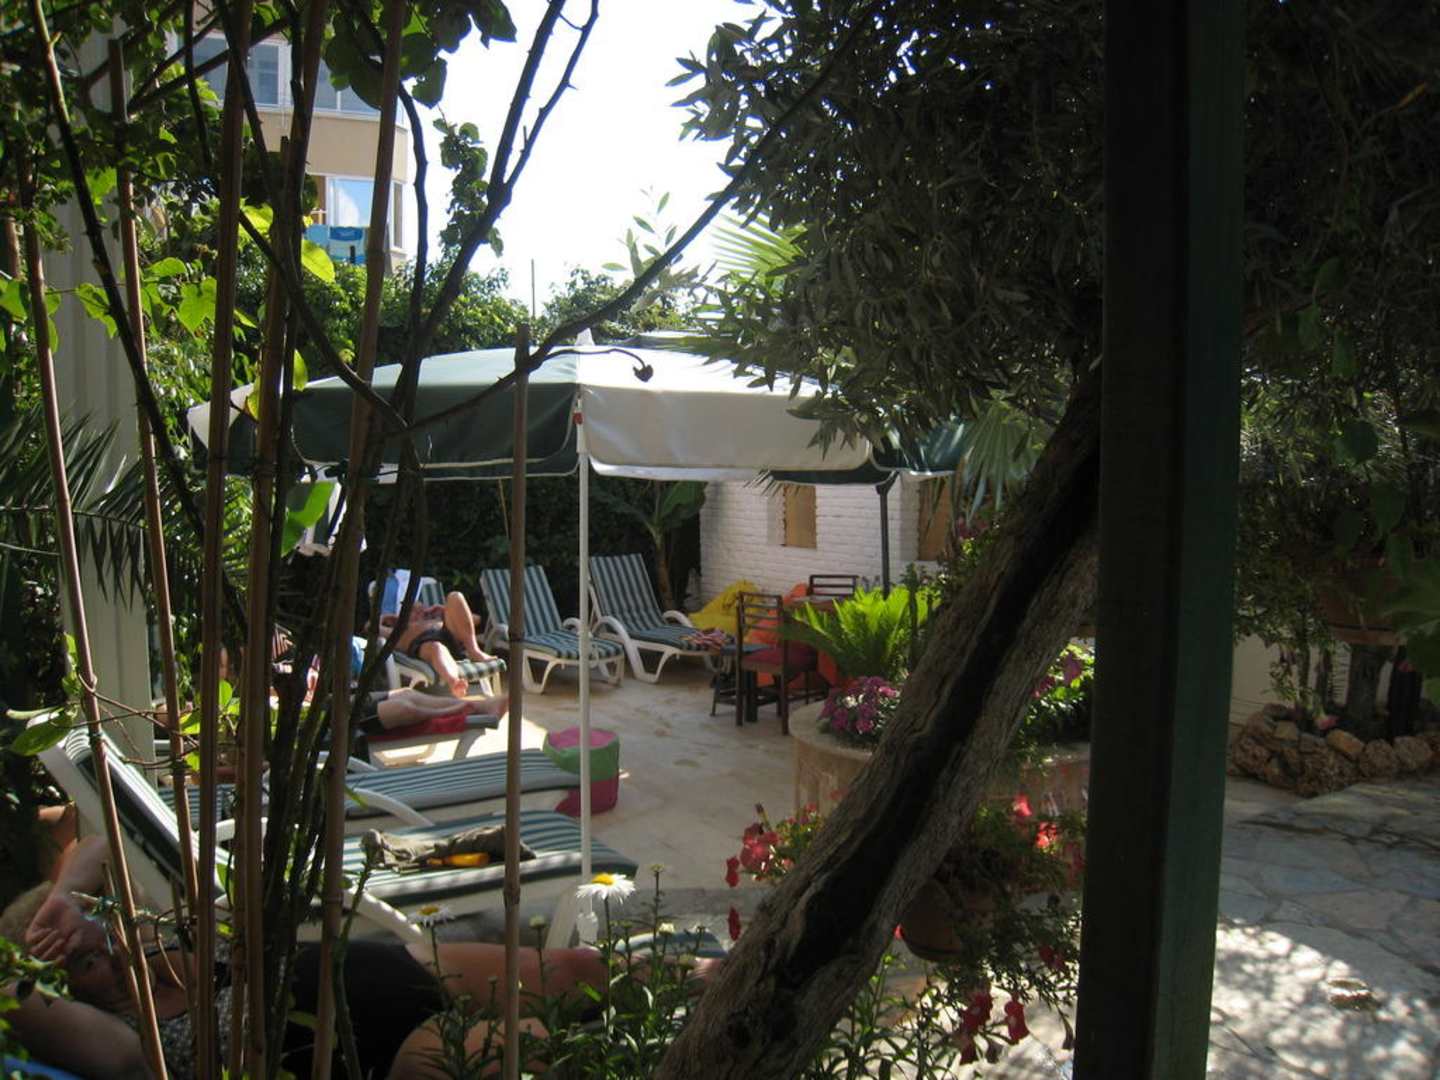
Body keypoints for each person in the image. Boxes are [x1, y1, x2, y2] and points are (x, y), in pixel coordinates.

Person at [6, 837, 709, 1079]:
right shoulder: (131, 1042)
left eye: (98, 928)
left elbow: (98, 842)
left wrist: (66, 898)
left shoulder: (171, 941)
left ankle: (726, 977)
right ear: (62, 996)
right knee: (538, 1045)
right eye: (84, 963)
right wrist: (28, 962)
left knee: (578, 971)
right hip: (379, 1046)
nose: (108, 950)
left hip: (394, 965)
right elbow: (20, 1001)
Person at [382, 591, 500, 697]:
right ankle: (454, 682)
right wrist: (385, 618)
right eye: (413, 610)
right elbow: (373, 629)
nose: (419, 612)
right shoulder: (399, 630)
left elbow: (476, 619)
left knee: (455, 596)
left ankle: (474, 651)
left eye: (421, 608)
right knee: (437, 648)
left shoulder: (437, 619)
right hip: (424, 643)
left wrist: (445, 610)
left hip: (447, 635)